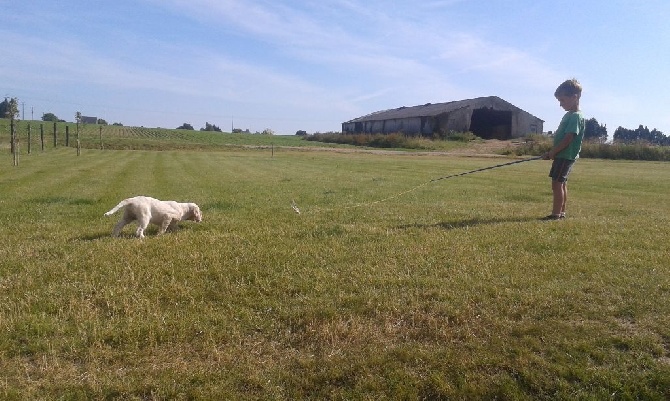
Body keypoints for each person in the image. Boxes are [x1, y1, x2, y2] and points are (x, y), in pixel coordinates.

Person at [541, 79, 585, 220]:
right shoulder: (570, 115)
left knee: (557, 184)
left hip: (565, 155)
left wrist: (553, 152)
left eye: (562, 100)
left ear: (574, 97)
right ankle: (561, 212)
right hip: (563, 155)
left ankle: (556, 214)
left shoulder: (575, 116)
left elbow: (568, 138)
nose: (560, 104)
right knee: (562, 183)